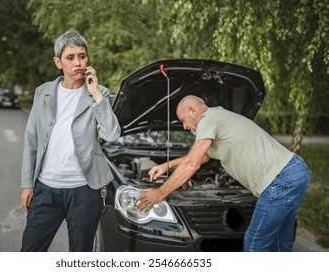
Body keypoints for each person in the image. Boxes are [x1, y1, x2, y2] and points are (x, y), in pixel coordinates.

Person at [135, 95, 310, 252]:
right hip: (295, 172)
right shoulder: (218, 115)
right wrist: (167, 165)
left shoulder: (207, 120)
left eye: (183, 120)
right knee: (280, 243)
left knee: (254, 243)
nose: (185, 126)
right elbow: (202, 156)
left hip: (280, 181)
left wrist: (160, 193)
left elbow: (192, 163)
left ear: (193, 111)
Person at [20, 30, 121, 252]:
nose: (78, 62)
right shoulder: (43, 92)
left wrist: (95, 94)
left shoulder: (99, 94)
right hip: (46, 189)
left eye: (82, 56)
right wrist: (27, 183)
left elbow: (112, 134)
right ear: (58, 62)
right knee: (30, 251)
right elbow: (31, 140)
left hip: (85, 190)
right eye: (71, 57)